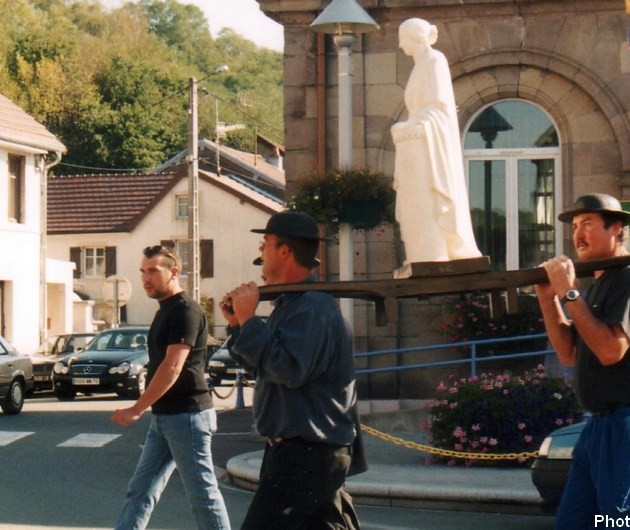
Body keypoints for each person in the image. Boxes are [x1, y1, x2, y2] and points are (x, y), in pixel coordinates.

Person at [533, 194, 630, 530]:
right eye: (575, 226)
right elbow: (570, 353)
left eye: (588, 224)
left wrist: (569, 292)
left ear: (616, 229)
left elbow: (611, 350)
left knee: (625, 524)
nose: (578, 234)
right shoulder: (600, 284)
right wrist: (547, 299)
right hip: (602, 423)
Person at [221, 211, 361, 529]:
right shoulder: (295, 305)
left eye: (265, 244)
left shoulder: (312, 307)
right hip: (298, 453)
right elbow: (266, 368)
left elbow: (288, 370)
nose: (261, 250)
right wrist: (238, 326)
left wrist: (250, 322)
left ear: (284, 251)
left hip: (307, 454)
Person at [111, 245, 230, 530]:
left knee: (202, 495)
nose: (145, 278)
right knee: (141, 490)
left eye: (153, 270)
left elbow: (173, 366)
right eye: (142, 271)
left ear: (174, 272)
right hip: (166, 417)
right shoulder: (165, 310)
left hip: (188, 416)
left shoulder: (185, 311)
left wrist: (137, 408)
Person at [391, 17, 482, 264]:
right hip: (417, 144)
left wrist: (415, 125)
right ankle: (423, 252)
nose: (401, 47)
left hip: (430, 142)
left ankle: (436, 249)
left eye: (403, 40)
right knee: (417, 203)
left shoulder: (435, 61)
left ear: (414, 38)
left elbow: (438, 107)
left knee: (429, 198)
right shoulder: (420, 65)